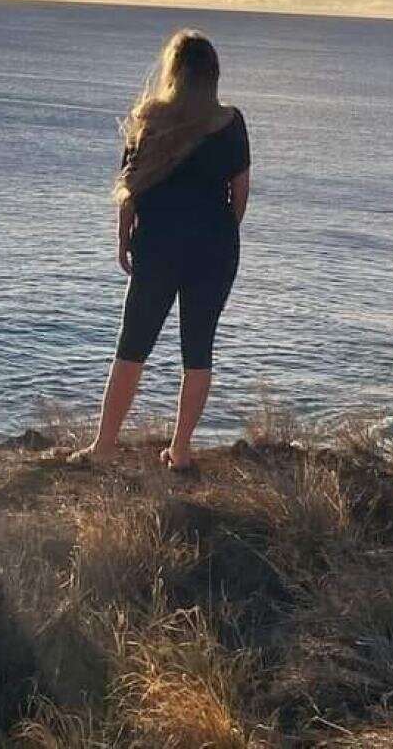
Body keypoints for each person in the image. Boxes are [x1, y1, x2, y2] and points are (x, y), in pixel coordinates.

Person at [71, 29, 250, 469]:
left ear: (172, 72)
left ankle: (104, 446)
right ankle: (181, 451)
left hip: (157, 245)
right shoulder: (230, 123)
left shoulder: (149, 118)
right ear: (213, 74)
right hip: (213, 248)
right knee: (198, 349)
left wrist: (124, 238)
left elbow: (129, 190)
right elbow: (240, 194)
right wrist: (219, 235)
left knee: (132, 345)